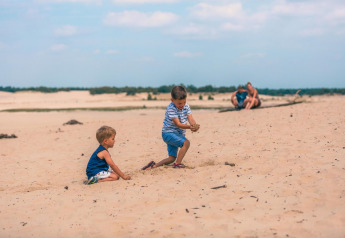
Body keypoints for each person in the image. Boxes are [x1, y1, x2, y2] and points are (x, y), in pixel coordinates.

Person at [142, 85, 200, 170]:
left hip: (177, 134)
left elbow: (190, 118)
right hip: (168, 133)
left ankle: (153, 166)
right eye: (179, 103)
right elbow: (178, 124)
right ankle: (178, 164)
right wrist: (189, 127)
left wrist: (194, 125)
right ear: (172, 100)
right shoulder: (171, 108)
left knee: (171, 158)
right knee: (186, 143)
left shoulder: (186, 106)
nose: (182, 105)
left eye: (184, 102)